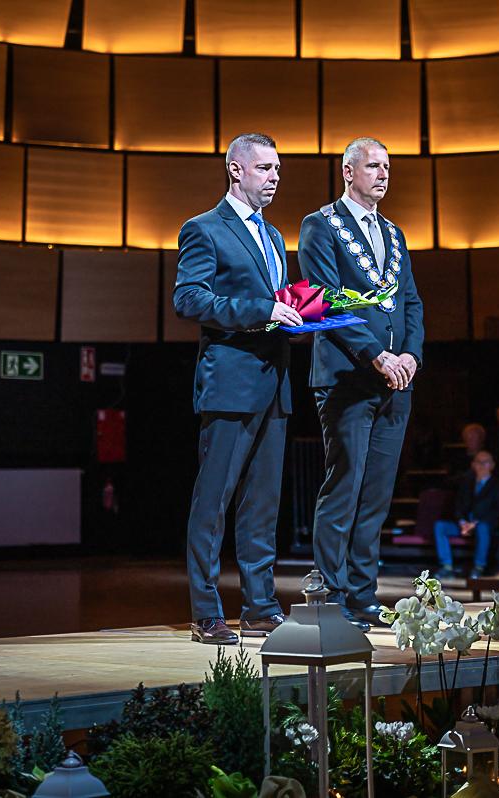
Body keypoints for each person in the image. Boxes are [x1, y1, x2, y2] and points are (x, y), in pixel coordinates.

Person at [173, 133, 301, 645]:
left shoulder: (273, 235)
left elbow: (274, 303)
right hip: (230, 383)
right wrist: (262, 310)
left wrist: (300, 313)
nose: (274, 177)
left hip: (274, 383)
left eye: (277, 169)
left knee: (262, 504)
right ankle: (206, 611)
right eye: (265, 168)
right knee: (214, 501)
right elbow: (189, 298)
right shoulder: (204, 228)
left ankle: (260, 607)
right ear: (236, 170)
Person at [299, 136, 424, 630]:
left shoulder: (394, 232)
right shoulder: (320, 224)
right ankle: (330, 595)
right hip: (348, 378)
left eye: (387, 167)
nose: (383, 174)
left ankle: (362, 595)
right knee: (344, 487)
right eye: (373, 166)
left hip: (396, 381)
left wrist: (410, 354)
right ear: (349, 172)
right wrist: (376, 354)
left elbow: (410, 301)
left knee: (376, 495)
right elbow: (324, 299)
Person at [435, 451, 499, 579]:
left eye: (485, 462)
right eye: (479, 462)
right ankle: (446, 566)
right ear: (473, 465)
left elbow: (498, 510)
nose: (482, 465)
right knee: (440, 526)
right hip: (465, 525)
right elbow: (458, 506)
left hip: (484, 525)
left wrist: (475, 523)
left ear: (492, 465)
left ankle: (479, 567)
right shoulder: (466, 483)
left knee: (482, 528)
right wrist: (462, 522)